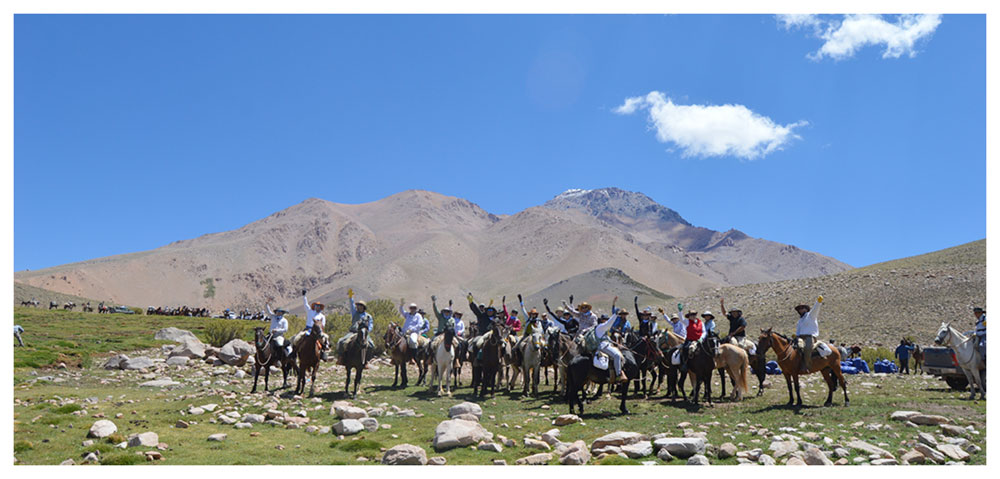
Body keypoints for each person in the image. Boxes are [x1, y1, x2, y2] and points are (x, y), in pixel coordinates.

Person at [336, 288, 375, 363]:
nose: (359, 307)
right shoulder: (354, 313)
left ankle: (367, 361)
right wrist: (350, 297)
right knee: (341, 341)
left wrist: (367, 331)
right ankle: (341, 358)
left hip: (364, 334)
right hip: (353, 332)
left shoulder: (368, 316)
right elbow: (351, 304)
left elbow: (371, 325)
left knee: (371, 345)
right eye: (358, 305)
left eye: (361, 305)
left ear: (363, 307)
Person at [291, 290, 330, 361]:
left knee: (325, 339)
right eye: (316, 306)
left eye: (319, 306)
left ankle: (323, 353)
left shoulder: (322, 316)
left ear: (320, 307)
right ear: (314, 306)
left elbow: (323, 325)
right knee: (297, 338)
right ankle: (294, 353)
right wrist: (304, 296)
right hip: (308, 329)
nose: (317, 307)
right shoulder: (310, 311)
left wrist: (321, 332)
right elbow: (305, 304)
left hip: (318, 331)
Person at [594, 308, 629, 382]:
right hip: (603, 346)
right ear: (601, 320)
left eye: (607, 319)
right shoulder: (601, 327)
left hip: (606, 344)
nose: (606, 320)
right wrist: (615, 315)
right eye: (604, 319)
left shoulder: (603, 329)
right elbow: (609, 324)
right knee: (617, 355)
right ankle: (618, 374)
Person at [795, 295, 824, 372]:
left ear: (806, 309)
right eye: (799, 309)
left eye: (802, 308)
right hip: (800, 337)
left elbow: (815, 309)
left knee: (807, 348)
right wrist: (795, 336)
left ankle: (806, 366)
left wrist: (818, 302)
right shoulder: (800, 320)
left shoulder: (811, 315)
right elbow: (798, 330)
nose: (801, 310)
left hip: (809, 337)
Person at [679, 310, 703, 375]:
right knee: (685, 348)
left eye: (694, 314)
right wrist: (680, 311)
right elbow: (681, 319)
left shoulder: (700, 322)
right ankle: (685, 364)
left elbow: (704, 331)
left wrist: (702, 338)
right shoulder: (687, 322)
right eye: (691, 315)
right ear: (689, 316)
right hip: (690, 340)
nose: (693, 316)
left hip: (699, 340)